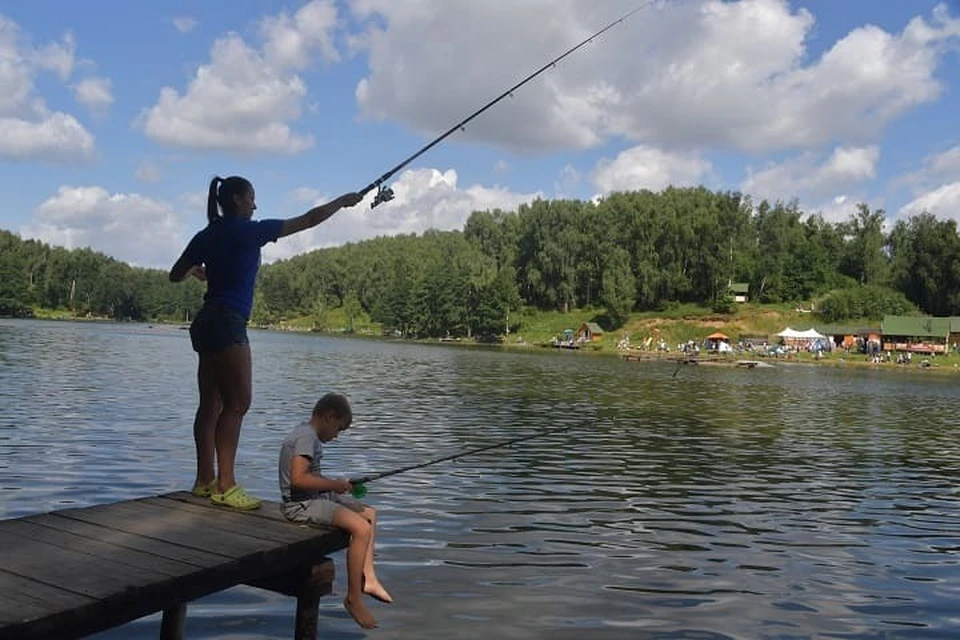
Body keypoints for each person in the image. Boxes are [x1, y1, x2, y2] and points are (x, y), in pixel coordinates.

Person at [169, 176, 362, 510]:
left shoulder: (207, 234)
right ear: (239, 199)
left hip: (206, 322)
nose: (255, 205)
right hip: (229, 322)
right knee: (238, 403)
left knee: (210, 405)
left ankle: (204, 481)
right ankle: (226, 484)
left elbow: (175, 273)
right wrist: (342, 201)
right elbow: (308, 220)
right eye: (252, 199)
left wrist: (197, 271)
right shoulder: (249, 231)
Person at [278, 392, 392, 630]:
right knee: (360, 529)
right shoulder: (306, 438)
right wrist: (334, 484)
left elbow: (311, 477)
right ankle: (353, 598)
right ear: (329, 417)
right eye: (338, 429)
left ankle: (368, 578)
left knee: (369, 514)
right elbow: (299, 480)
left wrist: (339, 486)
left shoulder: (306, 434)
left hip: (316, 497)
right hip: (300, 505)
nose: (337, 435)